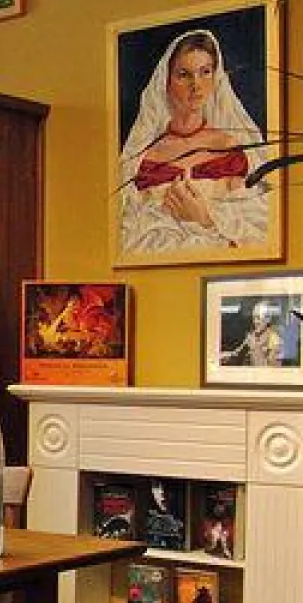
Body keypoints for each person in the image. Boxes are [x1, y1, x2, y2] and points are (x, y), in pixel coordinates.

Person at [119, 29, 270, 255]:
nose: (196, 85)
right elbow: (125, 228)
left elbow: (257, 223)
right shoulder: (142, 156)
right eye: (184, 74)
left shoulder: (231, 146)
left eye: (205, 72)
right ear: (166, 82)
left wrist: (204, 218)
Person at [220, 298, 283, 367]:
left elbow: (272, 370)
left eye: (258, 318)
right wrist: (224, 356)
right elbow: (237, 354)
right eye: (254, 318)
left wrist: (254, 346)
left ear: (268, 319)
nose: (255, 322)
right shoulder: (253, 334)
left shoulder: (274, 339)